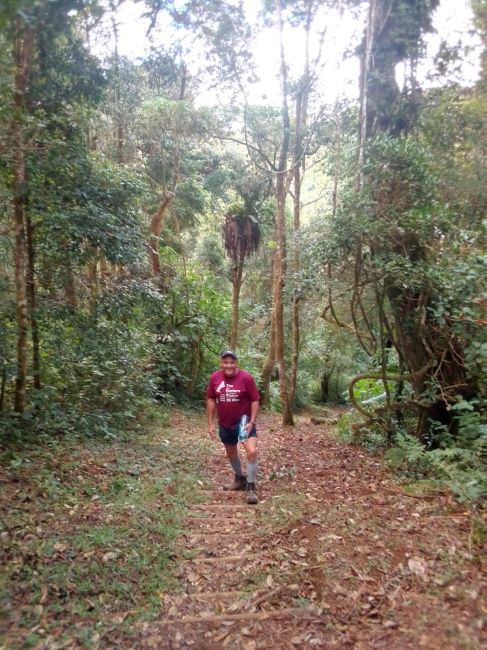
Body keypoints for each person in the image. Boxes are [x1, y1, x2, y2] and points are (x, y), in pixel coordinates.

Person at [207, 350, 260, 505]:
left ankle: (251, 486)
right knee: (231, 453)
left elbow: (255, 401)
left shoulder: (246, 378)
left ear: (236, 363)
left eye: (232, 362)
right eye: (225, 362)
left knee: (251, 451)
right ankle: (239, 478)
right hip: (225, 422)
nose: (228, 365)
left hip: (244, 422)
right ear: (221, 363)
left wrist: (253, 421)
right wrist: (210, 423)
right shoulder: (215, 378)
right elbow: (211, 399)